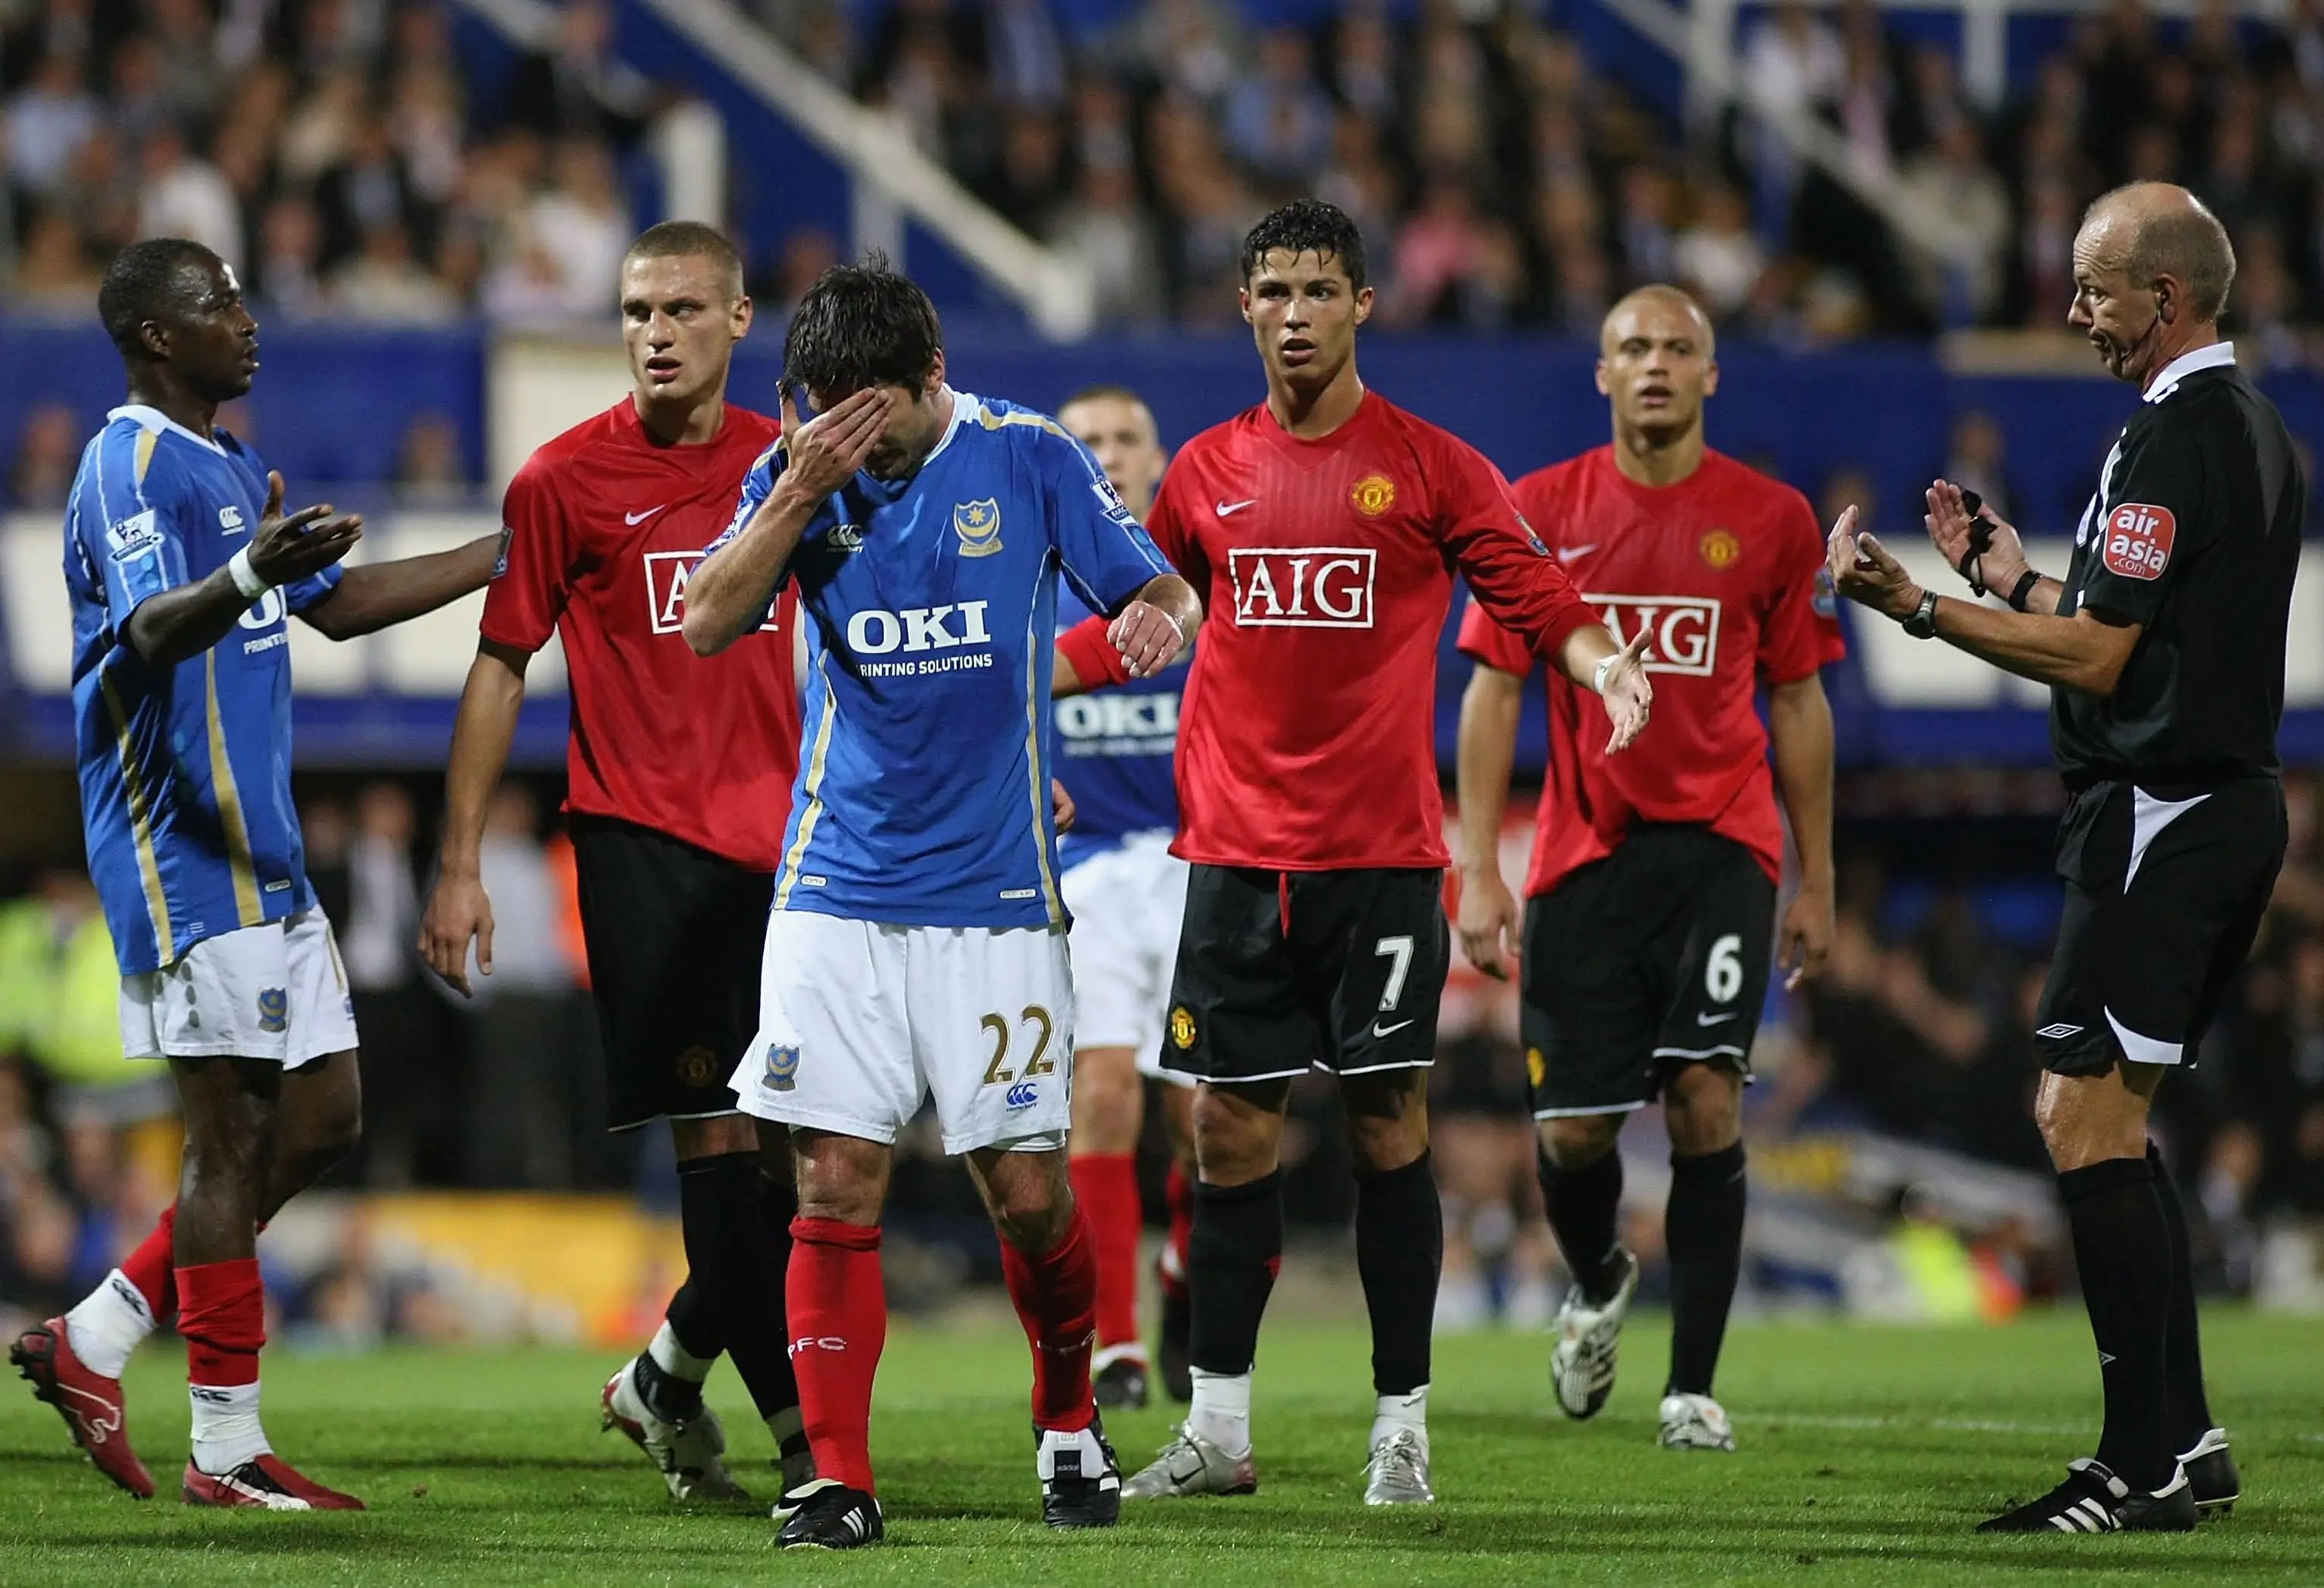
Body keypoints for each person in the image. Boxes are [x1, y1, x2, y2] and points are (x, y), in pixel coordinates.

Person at [1118, 199, 1652, 1510]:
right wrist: (1133, 631)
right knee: (1227, 1127)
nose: (1294, 312)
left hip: (1377, 858)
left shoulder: (1428, 465)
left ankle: (1402, 1422)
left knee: (1385, 1121)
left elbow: (1534, 591)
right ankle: (1221, 1429)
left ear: (1365, 304)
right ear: (1243, 307)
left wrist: (1601, 658)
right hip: (1238, 855)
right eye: (1272, 290)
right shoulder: (1200, 471)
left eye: (1318, 288)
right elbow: (1163, 593)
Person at [682, 256, 1202, 1549]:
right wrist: (799, 485)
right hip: (839, 885)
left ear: (935, 380)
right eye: (828, 416)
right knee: (836, 1172)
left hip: (999, 895)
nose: (857, 443)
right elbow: (704, 622)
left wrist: (1161, 617)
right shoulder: (803, 470)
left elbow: (1160, 586)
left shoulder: (1028, 458)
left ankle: (1070, 1415)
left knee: (1027, 1196)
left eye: (878, 418)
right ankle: (836, 1478)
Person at [1829, 183, 2298, 1533]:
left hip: (2168, 816)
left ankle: (2137, 1459)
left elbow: (2100, 660)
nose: (2078, 310)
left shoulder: (2170, 438)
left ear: (2170, 297)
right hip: (2209, 808)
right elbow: (2116, 623)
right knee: (2108, 1117)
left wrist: (1922, 606)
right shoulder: (2246, 430)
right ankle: (2188, 1438)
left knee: (2078, 1116)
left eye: (2097, 287)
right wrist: (2007, 577)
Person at [11, 238, 499, 1508]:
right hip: (181, 847)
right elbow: (149, 625)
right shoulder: (127, 460)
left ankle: (97, 1336)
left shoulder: (227, 462)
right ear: (158, 337)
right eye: (219, 305)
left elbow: (336, 605)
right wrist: (245, 570)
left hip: (265, 853)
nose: (248, 320)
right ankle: (226, 1450)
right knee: (226, 1141)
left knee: (323, 1117)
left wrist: (512, 551)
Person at [416, 221, 809, 1504]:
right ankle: (813, 1453)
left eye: (682, 310)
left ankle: (664, 1377)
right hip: (647, 847)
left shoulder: (790, 466)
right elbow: (500, 662)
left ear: (738, 319)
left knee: (801, 1181)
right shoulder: (560, 482)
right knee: (722, 1158)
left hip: (796, 852)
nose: (653, 333)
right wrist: (460, 860)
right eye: (637, 311)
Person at [1454, 284, 1844, 1454]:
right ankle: (1602, 1274)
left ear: (1711, 376)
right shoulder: (1539, 508)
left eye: (1680, 347)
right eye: (1634, 346)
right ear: (1603, 373)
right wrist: (1477, 865)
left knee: (1706, 1095)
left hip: (1725, 845)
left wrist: (1814, 876)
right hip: (1585, 859)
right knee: (1572, 1136)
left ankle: (1693, 1386)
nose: (1658, 364)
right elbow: (1491, 689)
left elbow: (1799, 700)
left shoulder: (1772, 519)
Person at [1045, 383, 1202, 1408]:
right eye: (1087, 439)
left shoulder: (1197, 590)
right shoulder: (1037, 582)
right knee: (1104, 1091)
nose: (1106, 453)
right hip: (1089, 866)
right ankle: (1119, 1342)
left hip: (1196, 861)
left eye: (1124, 437)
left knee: (1208, 1113)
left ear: (1156, 460)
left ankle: (1191, 1283)